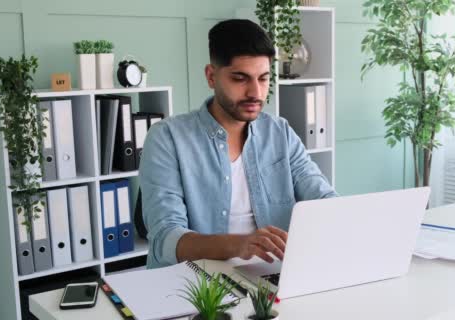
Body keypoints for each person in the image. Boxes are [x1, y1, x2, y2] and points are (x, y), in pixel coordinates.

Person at [140, 19, 337, 269]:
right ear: (211, 77)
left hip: (273, 274)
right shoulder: (167, 138)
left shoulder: (279, 132)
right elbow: (165, 239)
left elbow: (321, 195)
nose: (255, 92)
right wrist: (240, 245)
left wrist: (348, 217)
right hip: (196, 283)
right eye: (240, 78)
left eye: (264, 79)